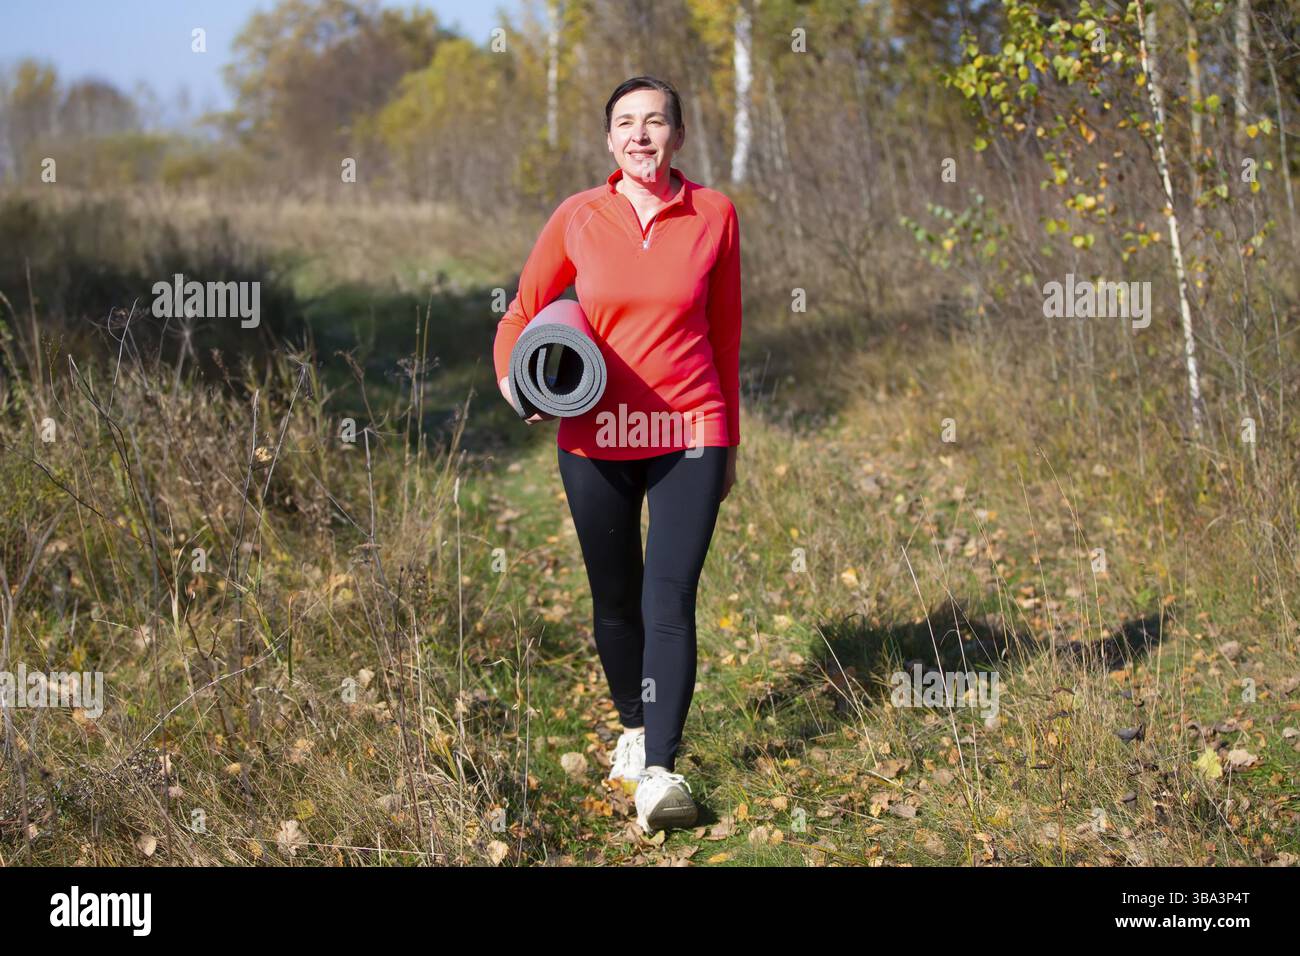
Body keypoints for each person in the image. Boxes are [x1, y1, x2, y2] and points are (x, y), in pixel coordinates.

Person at [493, 75, 742, 835]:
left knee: (670, 597)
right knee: (615, 596)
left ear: (678, 135)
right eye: (626, 123)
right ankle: (634, 722)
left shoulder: (714, 214)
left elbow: (726, 335)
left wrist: (730, 440)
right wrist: (515, 384)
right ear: (609, 139)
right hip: (595, 434)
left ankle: (661, 769)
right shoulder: (578, 216)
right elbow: (521, 312)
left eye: (655, 121)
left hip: (691, 430)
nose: (640, 134)